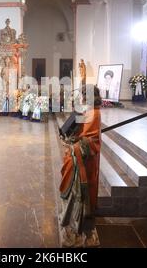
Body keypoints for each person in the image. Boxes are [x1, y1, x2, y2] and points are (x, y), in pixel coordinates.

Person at [59, 85, 102, 247]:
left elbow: (92, 141)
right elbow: (78, 130)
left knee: (82, 197)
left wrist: (72, 144)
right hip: (74, 157)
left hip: (84, 163)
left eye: (84, 95)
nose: (82, 98)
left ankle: (80, 230)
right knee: (68, 189)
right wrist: (67, 134)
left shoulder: (94, 113)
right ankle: (70, 223)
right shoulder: (86, 110)